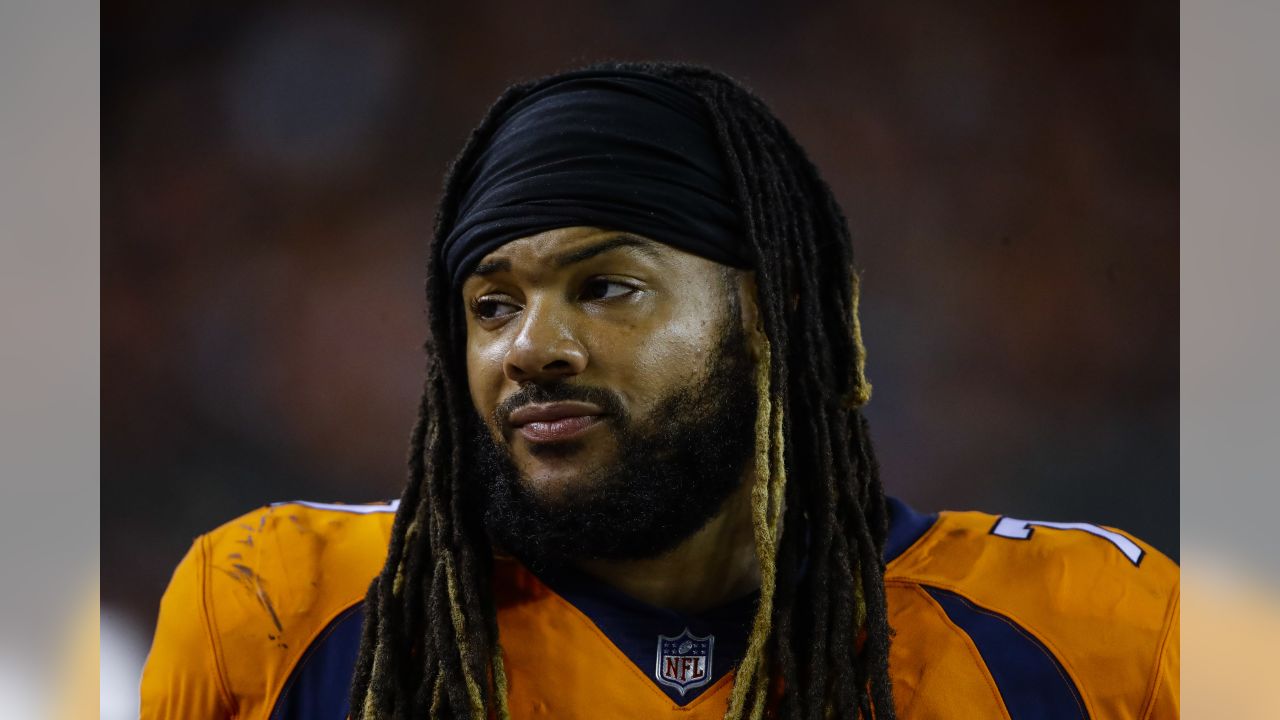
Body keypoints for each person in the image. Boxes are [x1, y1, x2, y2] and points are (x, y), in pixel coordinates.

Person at [140, 62, 1179, 720]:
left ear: (774, 316)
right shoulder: (278, 610)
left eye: (607, 288)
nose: (530, 348)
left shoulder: (1094, 632)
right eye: (490, 306)